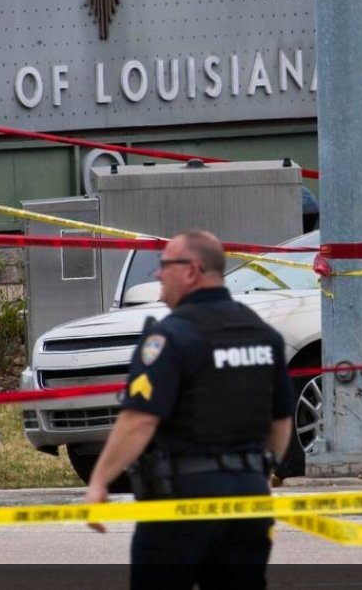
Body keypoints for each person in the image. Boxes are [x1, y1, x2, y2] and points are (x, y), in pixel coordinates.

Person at [85, 229, 292, 589]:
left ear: (192, 271)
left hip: (182, 502)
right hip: (248, 500)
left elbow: (139, 420)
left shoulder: (171, 336)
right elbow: (281, 421)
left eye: (165, 265)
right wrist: (261, 473)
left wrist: (100, 481)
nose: (158, 274)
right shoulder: (263, 334)